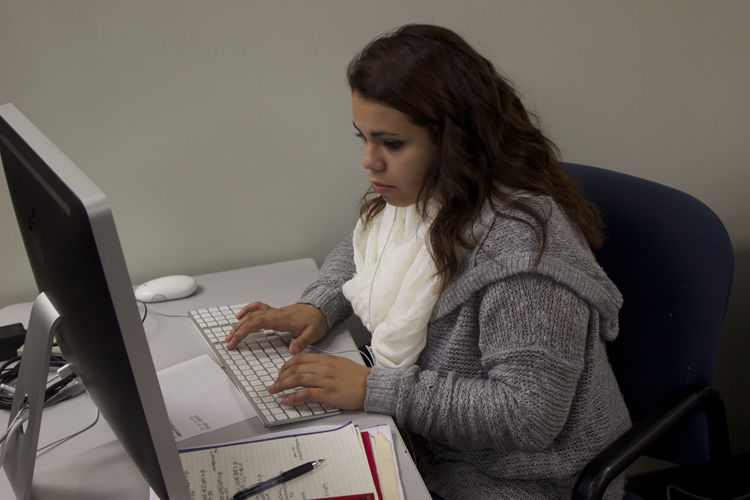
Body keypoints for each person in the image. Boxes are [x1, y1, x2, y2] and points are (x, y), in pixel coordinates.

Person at [226, 24, 631, 500]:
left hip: (525, 479)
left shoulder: (524, 258)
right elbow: (365, 249)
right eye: (363, 137)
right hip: (435, 446)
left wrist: (374, 389)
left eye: (391, 143)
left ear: (456, 141)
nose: (368, 161)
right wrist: (319, 305)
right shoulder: (427, 198)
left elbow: (528, 415)